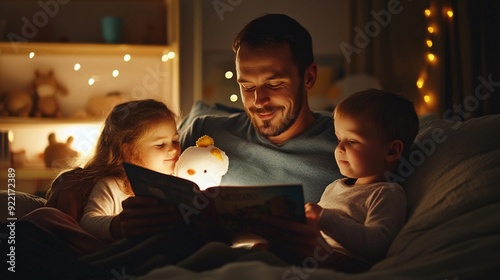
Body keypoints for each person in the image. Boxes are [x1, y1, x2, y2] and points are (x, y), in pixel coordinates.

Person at [179, 13, 341, 203]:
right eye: (247, 87)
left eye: (273, 84)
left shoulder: (347, 148)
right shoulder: (202, 133)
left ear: (309, 77)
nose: (258, 101)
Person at [253, 89, 420, 272]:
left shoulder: (386, 194)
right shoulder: (335, 187)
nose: (339, 148)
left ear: (391, 151)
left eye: (352, 141)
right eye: (339, 139)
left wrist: (324, 217)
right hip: (305, 257)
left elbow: (376, 245)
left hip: (331, 267)